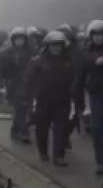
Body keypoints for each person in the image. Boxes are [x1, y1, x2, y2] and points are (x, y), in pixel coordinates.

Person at [26, 31, 80, 166]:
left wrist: (74, 92)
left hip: (63, 100)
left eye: (59, 45)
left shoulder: (69, 61)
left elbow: (76, 79)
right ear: (48, 46)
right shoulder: (38, 61)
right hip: (43, 100)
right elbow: (29, 80)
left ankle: (59, 155)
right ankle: (43, 151)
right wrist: (31, 97)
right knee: (42, 128)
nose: (56, 48)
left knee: (61, 128)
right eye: (53, 45)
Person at [76, 20, 103, 180]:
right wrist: (77, 95)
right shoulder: (87, 52)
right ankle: (101, 161)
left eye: (101, 35)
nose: (98, 38)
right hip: (97, 95)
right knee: (98, 128)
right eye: (95, 35)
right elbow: (80, 75)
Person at [0, 27, 33, 143]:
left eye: (21, 38)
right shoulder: (7, 53)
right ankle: (24, 132)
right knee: (20, 107)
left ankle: (15, 129)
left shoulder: (31, 52)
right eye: (17, 38)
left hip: (29, 84)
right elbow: (0, 70)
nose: (19, 41)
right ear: (13, 39)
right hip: (14, 85)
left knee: (24, 109)